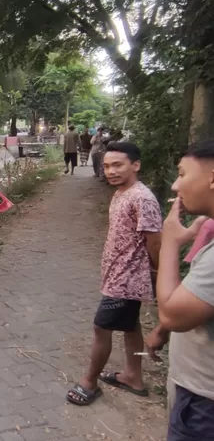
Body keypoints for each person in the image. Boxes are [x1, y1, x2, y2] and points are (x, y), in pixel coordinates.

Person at [66, 142, 162, 406]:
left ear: (136, 165)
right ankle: (133, 376)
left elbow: (155, 240)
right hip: (116, 274)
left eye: (117, 165)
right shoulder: (122, 192)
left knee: (101, 327)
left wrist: (156, 271)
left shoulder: (142, 198)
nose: (110, 171)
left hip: (126, 280)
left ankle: (89, 382)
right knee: (130, 326)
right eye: (107, 166)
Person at [144, 141, 214, 440]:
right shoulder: (209, 228)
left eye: (183, 174)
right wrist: (162, 328)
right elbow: (193, 294)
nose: (175, 186)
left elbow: (173, 313)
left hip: (203, 403)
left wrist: (170, 242)